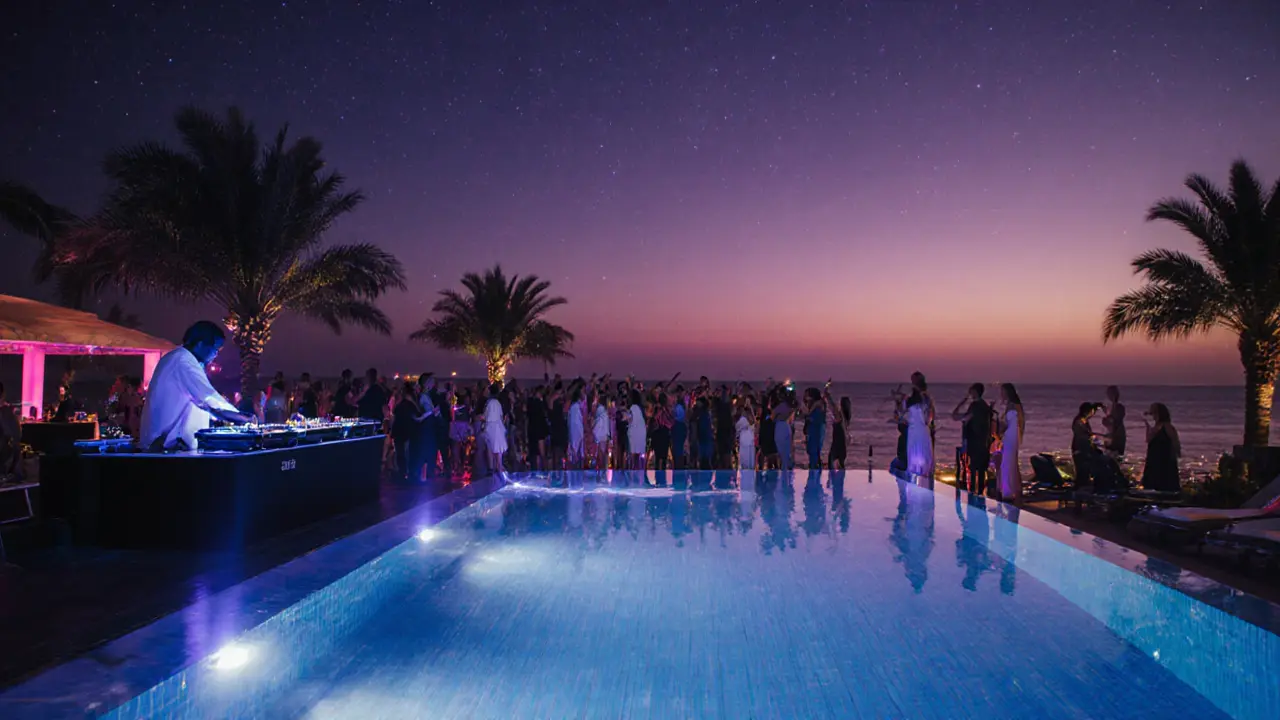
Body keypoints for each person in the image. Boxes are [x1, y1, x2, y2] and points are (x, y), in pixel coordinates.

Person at [139, 321, 253, 450]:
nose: (216, 354)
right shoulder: (183, 361)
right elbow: (208, 399)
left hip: (168, 448)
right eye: (215, 348)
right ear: (200, 344)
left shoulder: (179, 358)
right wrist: (241, 417)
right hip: (164, 450)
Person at [951, 383, 992, 494]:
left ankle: (974, 492)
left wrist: (961, 404)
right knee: (981, 469)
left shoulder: (976, 406)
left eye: (971, 391)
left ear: (975, 392)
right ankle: (979, 491)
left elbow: (959, 417)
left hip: (975, 440)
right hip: (982, 441)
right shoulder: (984, 406)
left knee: (974, 468)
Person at [1140, 403, 1181, 492]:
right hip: (1154, 457)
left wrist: (1176, 453)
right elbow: (1149, 439)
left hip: (1164, 458)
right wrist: (1147, 425)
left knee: (1164, 481)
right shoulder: (1155, 427)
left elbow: (1175, 441)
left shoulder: (1167, 426)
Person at [997, 383, 1024, 503]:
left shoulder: (1016, 405)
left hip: (1013, 435)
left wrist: (1020, 436)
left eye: (1003, 391)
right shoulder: (1009, 405)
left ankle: (1010, 491)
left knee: (1009, 462)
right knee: (1007, 463)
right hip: (1008, 435)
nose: (1001, 394)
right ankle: (1009, 490)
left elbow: (1021, 421)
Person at [903, 389, 934, 477]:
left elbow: (902, 415)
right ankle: (923, 473)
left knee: (913, 452)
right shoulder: (924, 406)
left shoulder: (909, 405)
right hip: (921, 430)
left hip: (913, 430)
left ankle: (914, 473)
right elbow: (928, 420)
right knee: (923, 452)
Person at [1070, 402, 1101, 486]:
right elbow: (1084, 434)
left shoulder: (1084, 420)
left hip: (1084, 448)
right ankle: (1079, 488)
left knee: (1086, 470)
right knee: (1082, 471)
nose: (1092, 414)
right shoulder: (1079, 421)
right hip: (1080, 449)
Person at [483, 382, 508, 474]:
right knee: (498, 448)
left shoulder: (489, 403)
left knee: (492, 448)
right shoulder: (496, 403)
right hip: (496, 426)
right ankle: (499, 466)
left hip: (491, 427)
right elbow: (501, 416)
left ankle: (494, 467)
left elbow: (486, 416)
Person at [804, 387, 827, 469]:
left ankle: (815, 468)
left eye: (807, 396)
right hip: (813, 431)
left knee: (814, 452)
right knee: (812, 452)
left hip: (816, 431)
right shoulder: (814, 407)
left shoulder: (818, 406)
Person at [827, 391, 849, 470]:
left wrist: (828, 396)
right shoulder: (846, 419)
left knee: (834, 470)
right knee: (840, 470)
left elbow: (833, 408)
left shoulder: (839, 417)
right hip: (842, 447)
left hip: (837, 446)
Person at [1102, 385, 1127, 455]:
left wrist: (1107, 420)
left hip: (1116, 435)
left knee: (1114, 456)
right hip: (1114, 434)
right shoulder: (1113, 407)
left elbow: (1114, 422)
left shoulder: (1118, 407)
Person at [627, 390, 647, 472]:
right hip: (640, 432)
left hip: (634, 432)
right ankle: (637, 472)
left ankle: (632, 473)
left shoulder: (632, 408)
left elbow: (630, 419)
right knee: (637, 455)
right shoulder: (641, 408)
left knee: (632, 454)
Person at [567, 387, 586, 469]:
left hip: (579, 433)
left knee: (579, 455)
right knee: (575, 455)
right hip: (575, 433)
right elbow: (574, 423)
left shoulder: (578, 406)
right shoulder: (574, 407)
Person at [736, 401, 756, 470]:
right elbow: (737, 429)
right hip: (745, 444)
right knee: (745, 465)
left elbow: (753, 422)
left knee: (750, 465)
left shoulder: (750, 422)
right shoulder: (742, 420)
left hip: (750, 444)